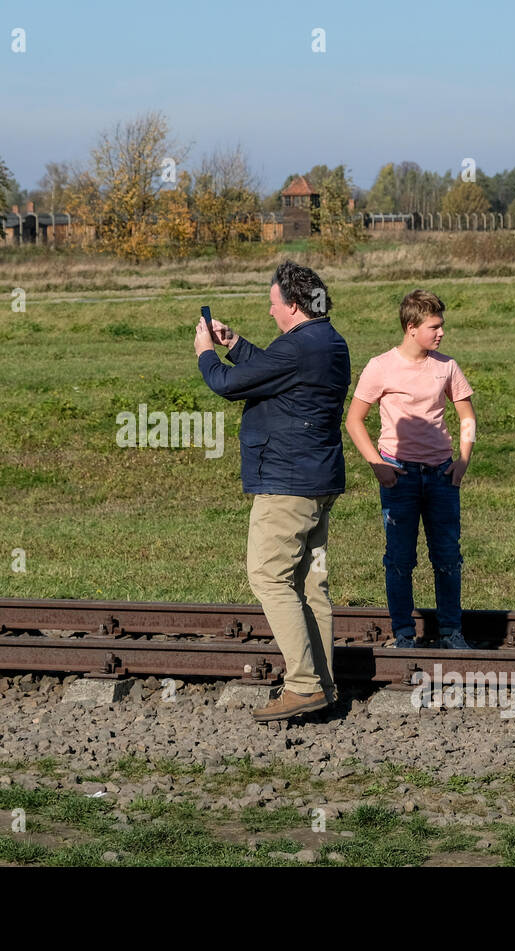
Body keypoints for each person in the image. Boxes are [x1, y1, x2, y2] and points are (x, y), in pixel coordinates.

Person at [195, 261, 351, 722]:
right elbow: (277, 374)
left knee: (269, 578)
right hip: (318, 484)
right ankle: (323, 685)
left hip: (286, 486)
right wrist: (237, 345)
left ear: (294, 305)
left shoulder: (296, 347)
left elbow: (225, 385)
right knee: (310, 586)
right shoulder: (328, 341)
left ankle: (302, 685)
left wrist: (207, 351)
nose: (270, 311)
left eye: (274, 303)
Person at [345, 289, 476, 649]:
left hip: (441, 476)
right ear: (411, 327)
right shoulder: (380, 366)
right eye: (434, 326)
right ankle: (404, 634)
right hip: (398, 476)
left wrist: (462, 462)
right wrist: (377, 466)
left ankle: (451, 632)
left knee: (448, 556)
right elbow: (354, 420)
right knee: (399, 560)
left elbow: (467, 415)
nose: (441, 333)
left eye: (442, 326)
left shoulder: (446, 366)